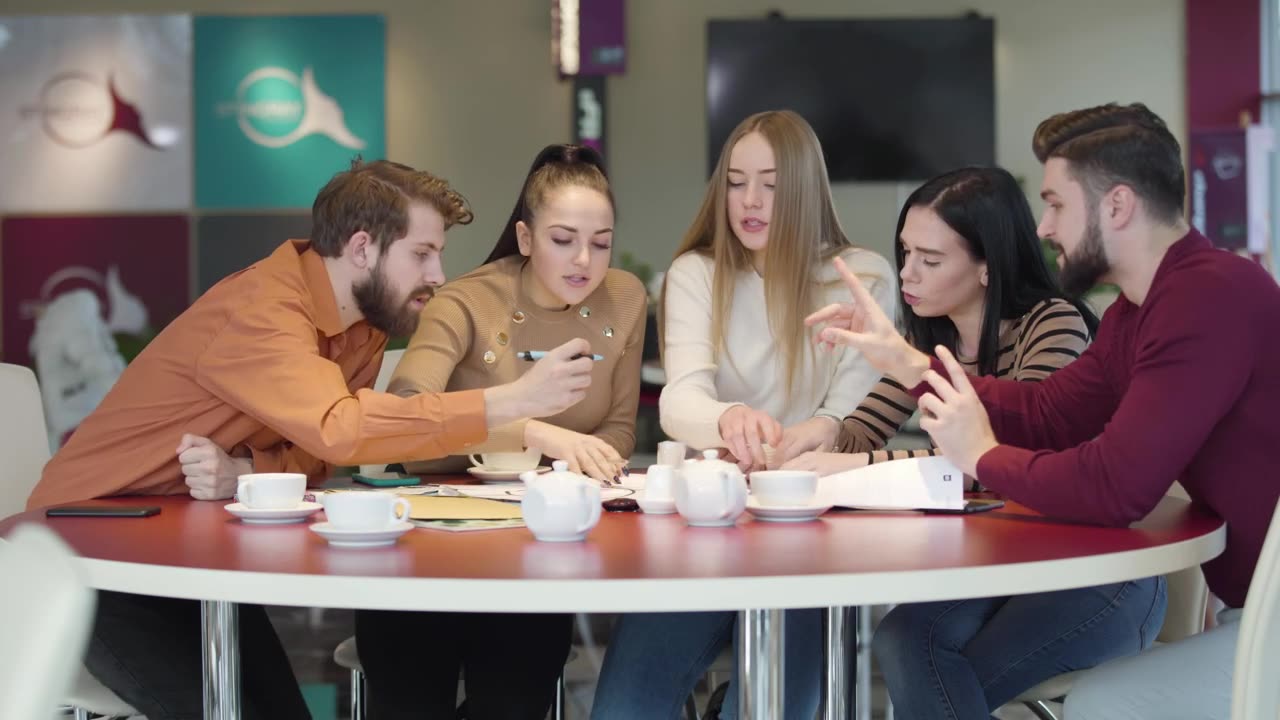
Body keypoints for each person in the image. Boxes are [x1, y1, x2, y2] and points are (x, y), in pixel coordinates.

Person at [25, 158, 596, 720]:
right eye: (422, 253)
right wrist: (512, 401)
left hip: (177, 550)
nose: (438, 274)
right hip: (87, 554)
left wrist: (248, 471)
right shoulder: (265, 310)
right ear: (362, 248)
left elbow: (325, 451)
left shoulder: (367, 321)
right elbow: (342, 432)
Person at [808, 102, 1280, 720]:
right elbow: (1049, 413)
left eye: (1057, 203)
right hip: (1252, 614)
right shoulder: (1137, 313)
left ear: (1116, 206)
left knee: (1103, 705)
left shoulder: (1207, 296)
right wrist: (908, 365)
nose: (1044, 226)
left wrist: (982, 455)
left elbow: (1117, 487)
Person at [786, 166, 1165, 719]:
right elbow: (859, 434)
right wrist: (811, 433)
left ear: (987, 266)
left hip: (1094, 574)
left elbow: (988, 462)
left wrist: (847, 464)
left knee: (933, 673)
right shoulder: (929, 335)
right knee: (902, 640)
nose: (907, 274)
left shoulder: (1053, 325)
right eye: (905, 252)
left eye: (931, 260)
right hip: (998, 568)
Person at [592, 109, 896, 720]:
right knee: (624, 709)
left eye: (772, 184)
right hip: (706, 527)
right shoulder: (696, 272)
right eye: (735, 181)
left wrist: (814, 433)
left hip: (808, 537)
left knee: (767, 710)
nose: (749, 201)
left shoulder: (862, 278)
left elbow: (846, 413)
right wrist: (730, 416)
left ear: (805, 189)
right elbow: (680, 400)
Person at [354, 144, 646, 719]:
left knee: (514, 703)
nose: (585, 259)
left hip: (535, 548)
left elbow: (616, 430)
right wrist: (539, 433)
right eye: (563, 239)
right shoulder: (466, 300)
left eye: (602, 242)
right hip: (428, 545)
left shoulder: (626, 298)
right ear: (526, 237)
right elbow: (405, 409)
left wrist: (583, 467)